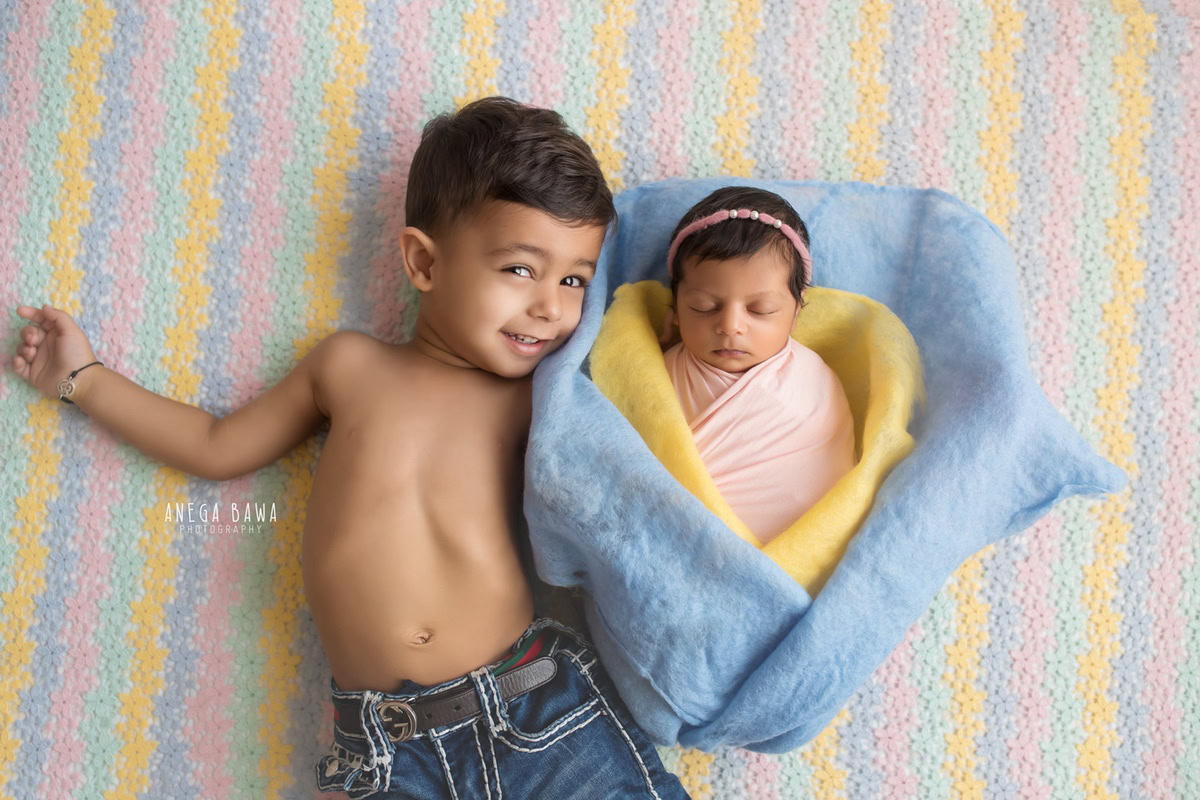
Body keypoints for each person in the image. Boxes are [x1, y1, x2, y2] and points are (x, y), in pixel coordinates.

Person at [9, 96, 688, 800]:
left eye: (574, 279)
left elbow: (638, 465)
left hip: (534, 710)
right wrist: (82, 382)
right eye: (521, 269)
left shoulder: (541, 399)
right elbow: (217, 446)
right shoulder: (348, 368)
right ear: (423, 262)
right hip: (383, 753)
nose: (551, 306)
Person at [657, 185, 856, 544]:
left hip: (791, 556)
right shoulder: (652, 375)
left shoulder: (817, 386)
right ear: (675, 308)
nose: (730, 326)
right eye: (703, 306)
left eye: (760, 310)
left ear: (797, 312)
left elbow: (838, 488)